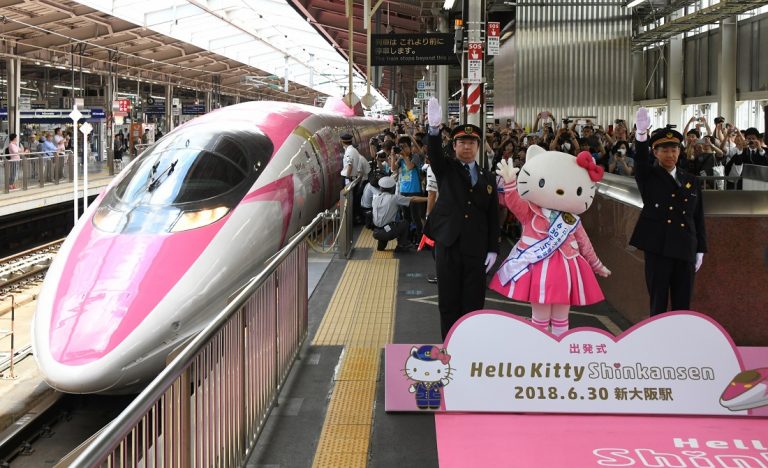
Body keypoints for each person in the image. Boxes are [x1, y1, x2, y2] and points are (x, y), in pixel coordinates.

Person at [424, 98, 500, 339]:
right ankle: (449, 346)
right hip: (448, 245)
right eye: (462, 142)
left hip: (476, 250)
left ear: (478, 146)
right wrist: (434, 131)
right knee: (448, 302)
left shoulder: (488, 177)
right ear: (454, 146)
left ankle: (469, 348)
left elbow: (492, 216)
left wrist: (493, 249)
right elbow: (434, 154)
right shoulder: (446, 169)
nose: (467, 147)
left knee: (473, 304)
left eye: (471, 143)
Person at [630, 108, 707, 316]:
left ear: (679, 151)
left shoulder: (690, 180)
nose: (670, 154)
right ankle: (657, 344)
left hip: (685, 247)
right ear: (655, 152)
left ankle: (680, 344)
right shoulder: (648, 176)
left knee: (683, 304)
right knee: (658, 302)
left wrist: (700, 248)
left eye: (674, 149)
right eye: (664, 150)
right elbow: (640, 160)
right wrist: (641, 135)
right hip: (659, 248)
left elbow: (697, 217)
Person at [371, 176, 427, 252]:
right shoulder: (394, 198)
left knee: (385, 225)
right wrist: (428, 198)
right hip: (388, 232)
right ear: (392, 189)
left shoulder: (376, 198)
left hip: (376, 232)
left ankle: (381, 245)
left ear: (380, 188)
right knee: (404, 223)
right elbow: (413, 199)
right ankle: (402, 245)